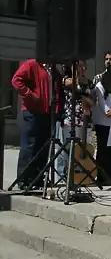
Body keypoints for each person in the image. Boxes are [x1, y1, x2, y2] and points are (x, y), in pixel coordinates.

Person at [11, 59, 62, 189]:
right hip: (32, 110)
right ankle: (24, 179)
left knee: (43, 146)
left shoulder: (53, 69)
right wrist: (31, 95)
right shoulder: (31, 64)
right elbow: (16, 80)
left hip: (47, 111)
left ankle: (38, 178)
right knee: (30, 144)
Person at [54, 61, 95, 180]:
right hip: (70, 118)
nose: (82, 68)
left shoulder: (89, 83)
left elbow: (93, 101)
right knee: (67, 149)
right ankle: (64, 175)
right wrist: (77, 81)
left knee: (83, 149)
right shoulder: (67, 80)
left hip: (84, 119)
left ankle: (79, 175)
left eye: (83, 66)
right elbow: (71, 85)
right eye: (79, 66)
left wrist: (86, 99)